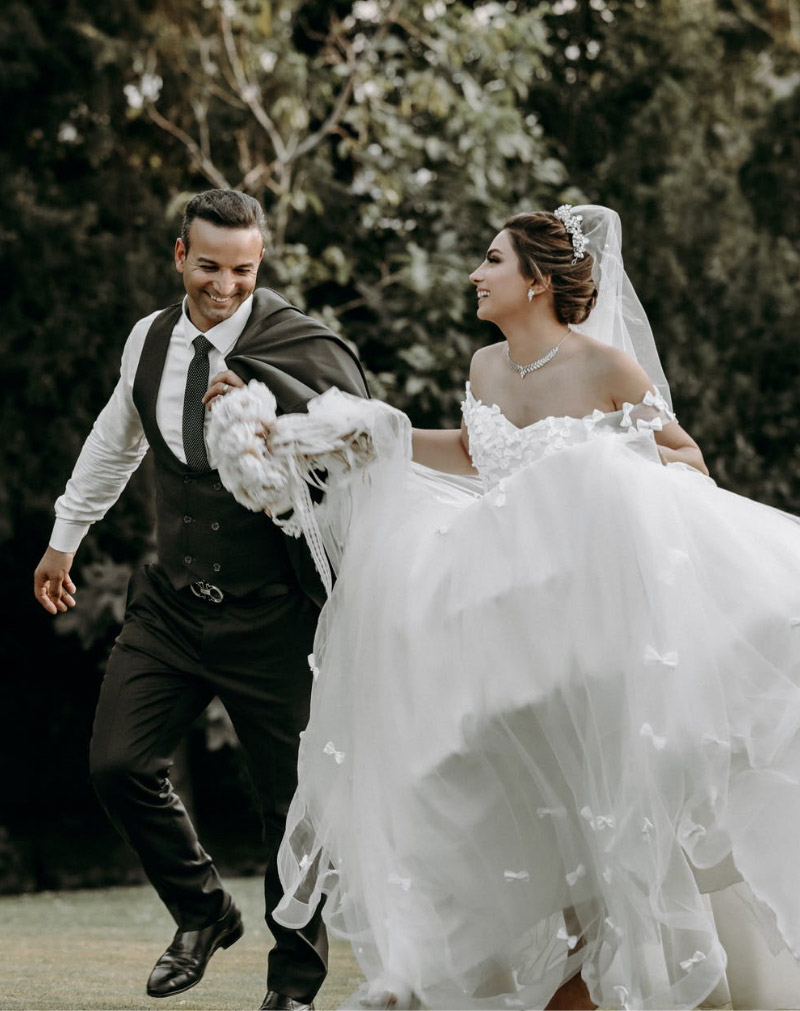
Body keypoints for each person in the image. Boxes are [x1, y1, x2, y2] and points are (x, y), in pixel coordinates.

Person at [212, 204, 800, 1010]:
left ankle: (599, 966)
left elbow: (686, 458)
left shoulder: (605, 366)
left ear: (537, 280)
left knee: (594, 796)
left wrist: (598, 475)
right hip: (505, 607)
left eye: (492, 260)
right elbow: (470, 450)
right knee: (469, 768)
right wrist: (372, 439)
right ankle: (444, 962)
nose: (475, 274)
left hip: (587, 613)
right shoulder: (486, 366)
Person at [33, 188, 369, 1011]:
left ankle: (293, 986)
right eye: (210, 266)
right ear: (180, 255)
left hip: (276, 614)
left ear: (261, 262)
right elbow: (115, 439)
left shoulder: (301, 343)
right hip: (173, 604)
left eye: (243, 271)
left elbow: (359, 449)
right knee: (116, 763)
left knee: (291, 806)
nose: (225, 286)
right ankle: (203, 909)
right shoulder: (148, 339)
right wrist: (65, 536)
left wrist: (278, 426)